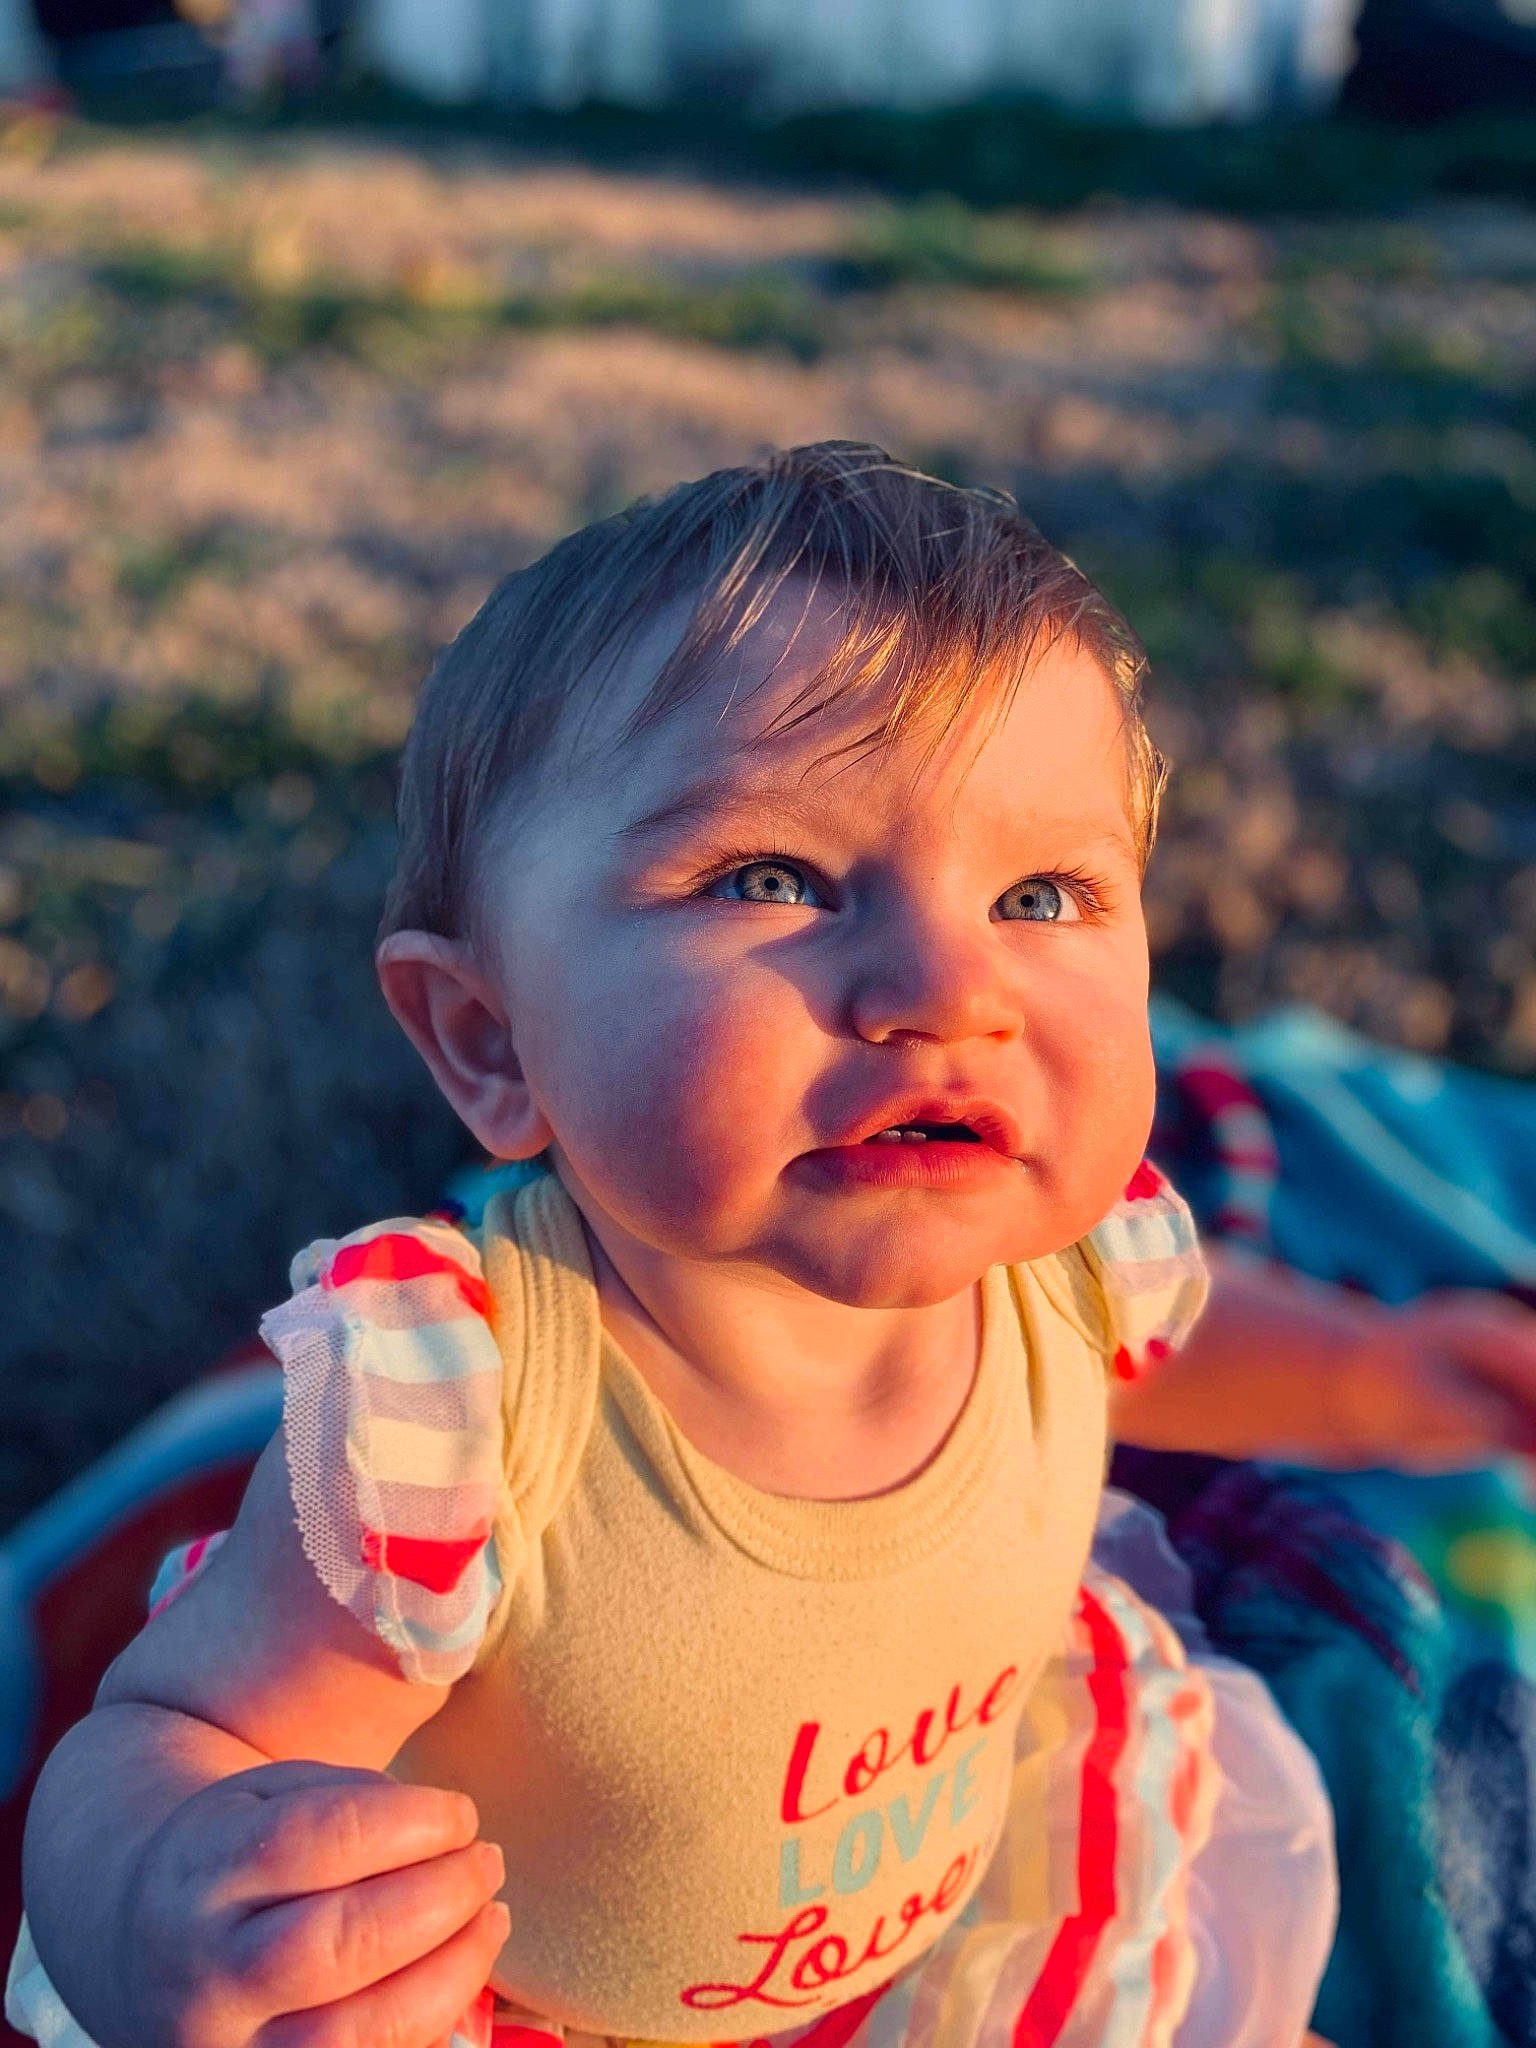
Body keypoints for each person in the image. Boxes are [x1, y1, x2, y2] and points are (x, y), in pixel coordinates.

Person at [9, 445, 1337, 2048]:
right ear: (491, 1041)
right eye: (772, 879)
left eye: (1043, 893)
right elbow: (175, 1731)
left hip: (957, 1943)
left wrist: (1405, 1376)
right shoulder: (461, 1419)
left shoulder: (1064, 1258)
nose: (947, 988)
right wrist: (161, 1889)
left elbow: (1195, 1353)